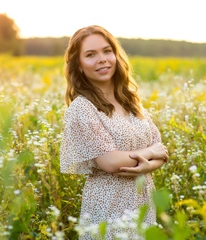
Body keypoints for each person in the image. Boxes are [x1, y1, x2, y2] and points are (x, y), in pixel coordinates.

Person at [60, 25, 168, 239]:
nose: (102, 59)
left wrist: (147, 165)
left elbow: (162, 151)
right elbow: (109, 162)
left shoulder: (130, 101)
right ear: (79, 66)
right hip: (109, 204)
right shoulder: (82, 108)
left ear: (116, 55)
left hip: (143, 201)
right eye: (90, 55)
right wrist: (149, 154)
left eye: (107, 51)